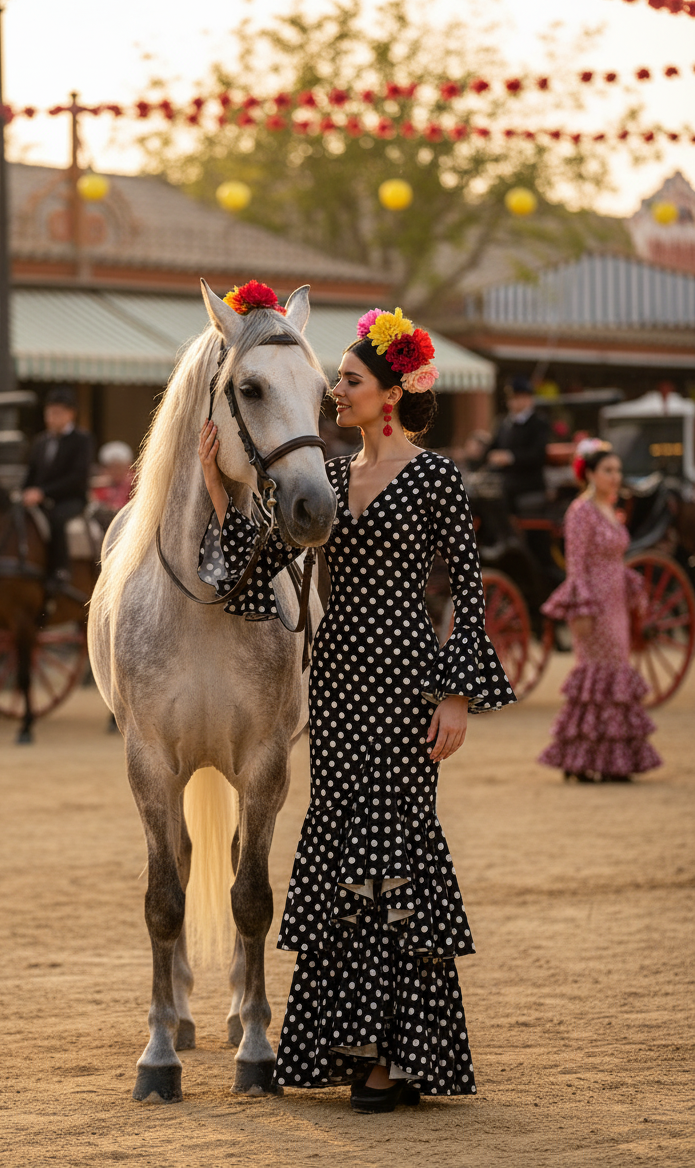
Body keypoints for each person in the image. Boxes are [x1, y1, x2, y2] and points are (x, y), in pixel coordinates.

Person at [198, 306, 516, 1112]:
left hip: (406, 688)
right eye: (338, 379)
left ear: (392, 392)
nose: (334, 391)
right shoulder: (329, 481)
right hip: (337, 689)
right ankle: (356, 1046)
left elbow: (468, 594)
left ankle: (391, 1059)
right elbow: (251, 573)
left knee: (393, 851)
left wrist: (455, 693)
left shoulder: (437, 478)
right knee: (345, 854)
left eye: (347, 380)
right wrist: (217, 494)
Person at [538, 441, 660, 783]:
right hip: (593, 603)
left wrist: (633, 590)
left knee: (616, 673)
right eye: (608, 470)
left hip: (617, 602)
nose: (615, 477)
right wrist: (582, 608)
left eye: (618, 470)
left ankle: (610, 761)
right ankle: (581, 760)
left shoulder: (611, 509)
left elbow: (616, 560)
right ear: (589, 474)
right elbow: (575, 566)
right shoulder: (580, 512)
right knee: (598, 677)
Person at [21, 386, 93, 583]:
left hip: (71, 499)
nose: (52, 417)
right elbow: (31, 474)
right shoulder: (40, 442)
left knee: (57, 520)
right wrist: (22, 493)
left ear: (71, 414)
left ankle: (60, 570)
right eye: (49, 412)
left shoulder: (82, 440)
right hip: (40, 497)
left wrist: (43, 492)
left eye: (57, 413)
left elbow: (77, 477)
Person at [487, 375, 550, 513]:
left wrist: (510, 457)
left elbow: (537, 455)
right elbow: (493, 446)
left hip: (528, 481)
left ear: (528, 399)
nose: (513, 402)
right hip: (504, 478)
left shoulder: (539, 423)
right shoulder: (503, 423)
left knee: (499, 493)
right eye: (511, 398)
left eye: (518, 397)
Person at [91, 440, 136, 513]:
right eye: (112, 468)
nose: (116, 471)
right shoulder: (101, 485)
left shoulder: (135, 483)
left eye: (119, 467)